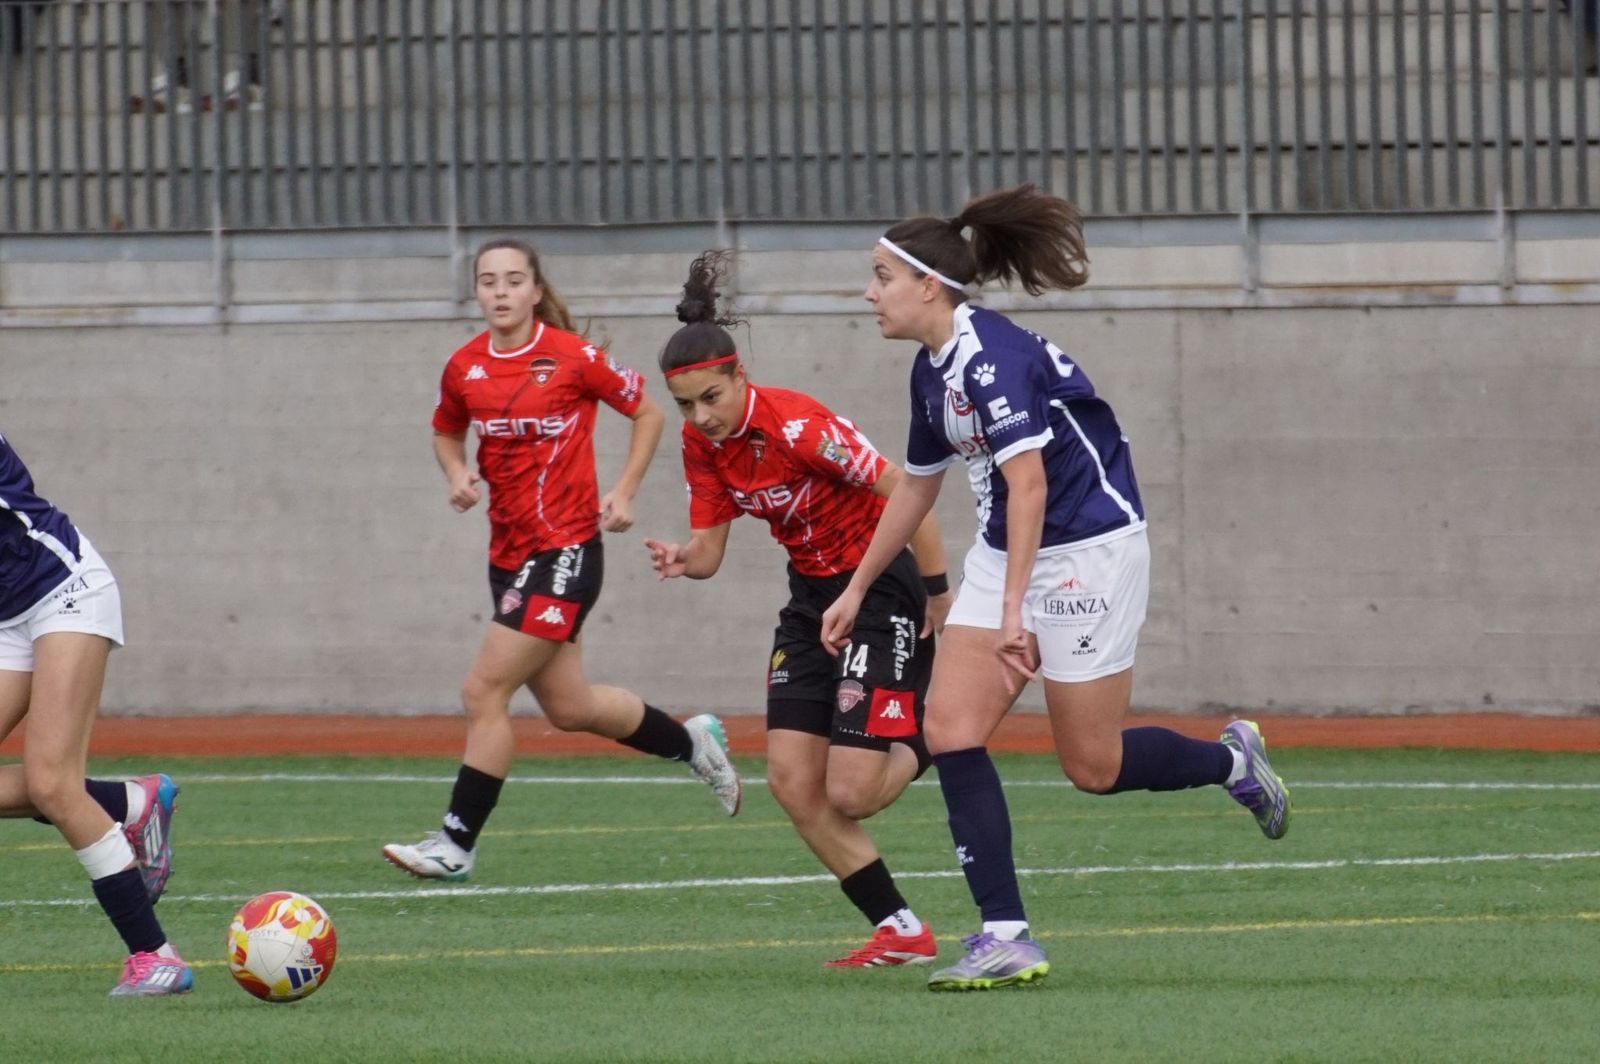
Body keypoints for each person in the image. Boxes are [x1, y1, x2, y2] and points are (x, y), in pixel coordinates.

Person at [820, 184, 1293, 991]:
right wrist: (857, 587)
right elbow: (917, 486)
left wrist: (1015, 614)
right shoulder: (930, 371)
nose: (869, 293)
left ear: (928, 285)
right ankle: (1006, 934)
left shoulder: (991, 358)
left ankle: (1230, 762)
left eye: (881, 277)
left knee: (1093, 765)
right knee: (951, 727)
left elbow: (1031, 484)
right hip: (1009, 547)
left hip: (1090, 547)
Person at [382, 238, 741, 882]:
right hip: (508, 556)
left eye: (513, 280)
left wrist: (624, 490)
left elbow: (648, 412)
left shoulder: (573, 357)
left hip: (566, 550)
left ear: (536, 291)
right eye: (488, 281)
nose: (500, 291)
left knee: (483, 690)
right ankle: (691, 743)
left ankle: (455, 844)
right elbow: (445, 430)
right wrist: (456, 472)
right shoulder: (464, 367)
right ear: (476, 292)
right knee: (570, 708)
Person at [643, 251, 954, 968]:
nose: (701, 417)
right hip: (813, 599)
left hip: (878, 587)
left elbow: (911, 496)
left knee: (852, 791)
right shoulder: (701, 446)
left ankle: (935, 732)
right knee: (791, 781)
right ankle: (901, 929)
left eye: (711, 397)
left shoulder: (798, 427)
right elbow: (710, 552)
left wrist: (938, 594)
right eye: (686, 405)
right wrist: (684, 559)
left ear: (739, 377)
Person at [0, 431, 190, 996]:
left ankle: (155, 957)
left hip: (63, 592)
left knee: (53, 784)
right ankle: (130, 803)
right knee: (52, 784)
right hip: (6, 617)